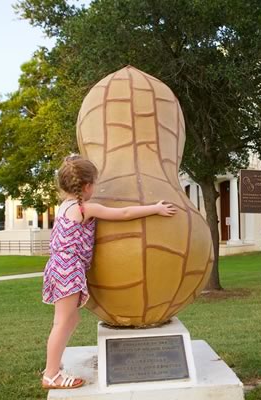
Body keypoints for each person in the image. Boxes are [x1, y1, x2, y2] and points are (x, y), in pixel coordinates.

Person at [41, 154, 177, 389]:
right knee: (62, 323)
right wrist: (155, 208)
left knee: (69, 320)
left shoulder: (63, 206)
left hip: (59, 266)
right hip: (68, 269)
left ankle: (54, 365)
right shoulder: (85, 209)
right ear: (87, 186)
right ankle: (51, 374)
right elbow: (123, 215)